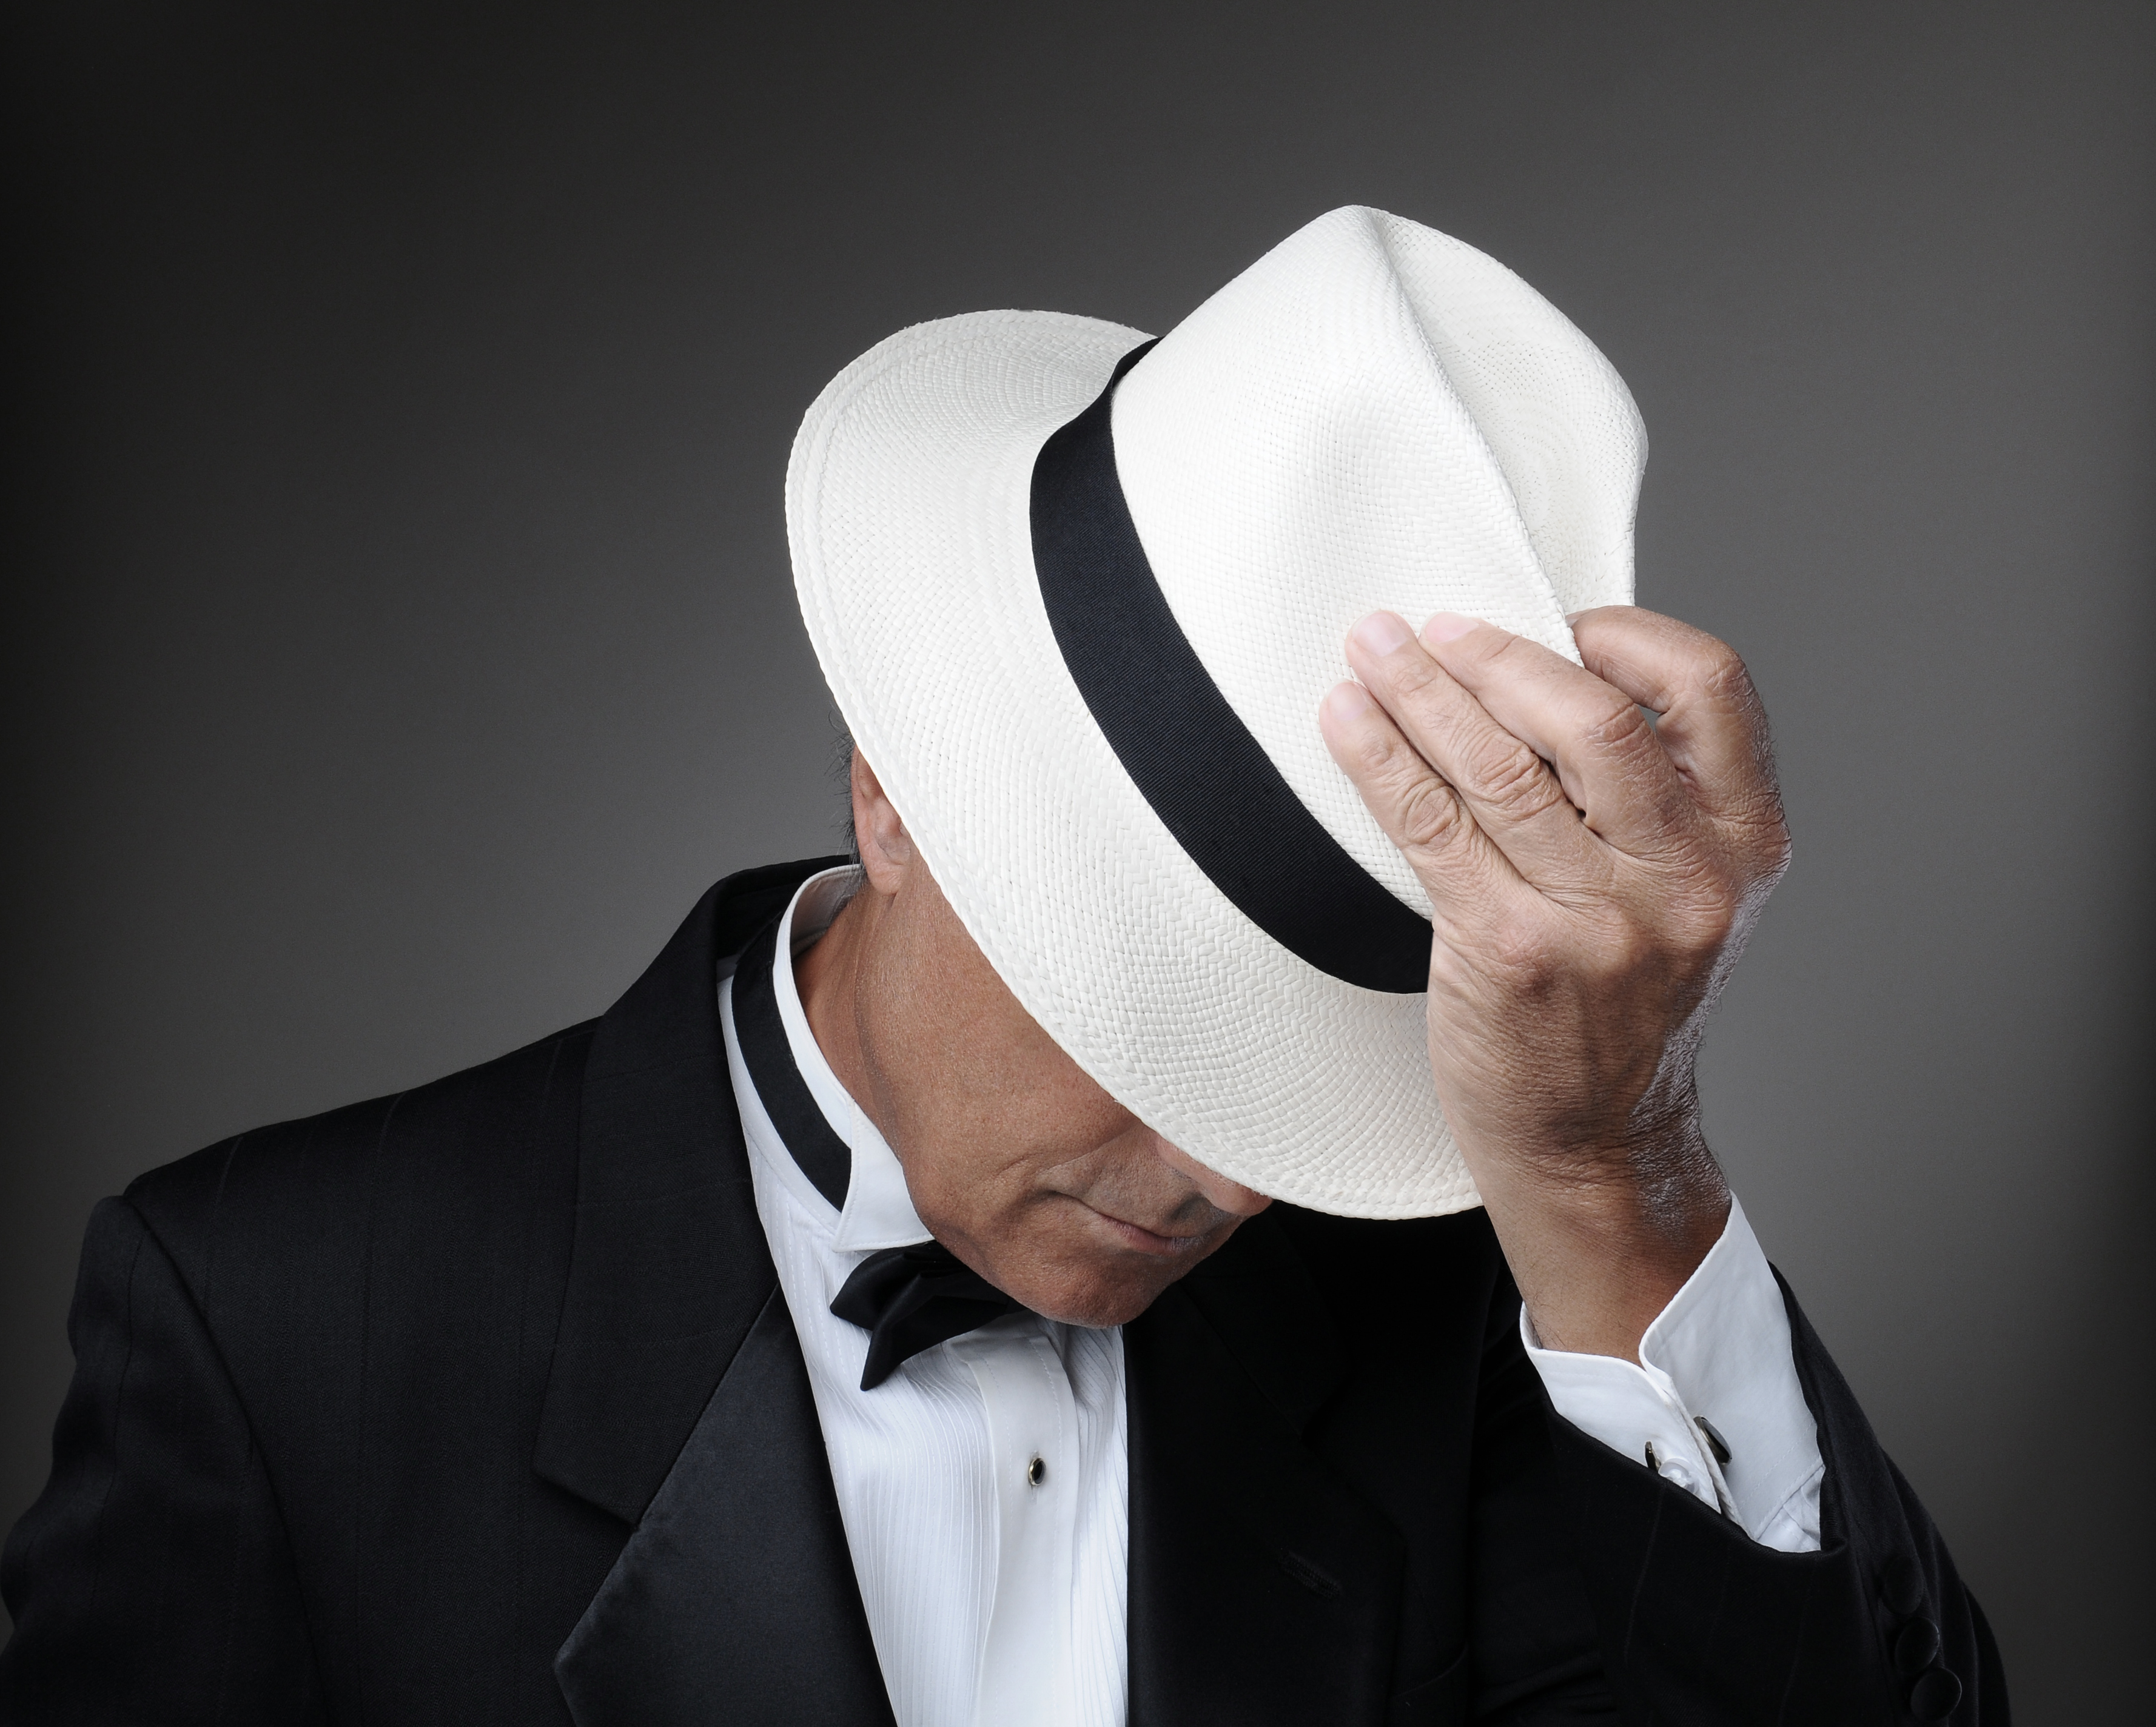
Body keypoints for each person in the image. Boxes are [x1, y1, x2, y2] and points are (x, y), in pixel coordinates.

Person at [0, 206, 2003, 1725]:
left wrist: (1611, 1168)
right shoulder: (279, 1325)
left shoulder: (1485, 1325)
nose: (1229, 1176)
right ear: (896, 786)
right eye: (1155, 1013)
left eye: (1318, 1058)